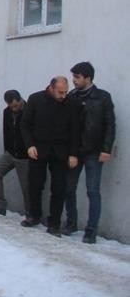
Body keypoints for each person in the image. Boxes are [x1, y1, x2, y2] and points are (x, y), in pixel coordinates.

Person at [64, 62, 116, 244]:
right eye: (74, 77)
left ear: (88, 78)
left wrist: (106, 149)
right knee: (68, 188)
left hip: (94, 151)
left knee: (93, 191)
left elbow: (110, 124)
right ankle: (71, 223)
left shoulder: (102, 97)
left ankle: (91, 231)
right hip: (75, 151)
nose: (74, 80)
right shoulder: (71, 97)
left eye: (77, 77)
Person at [21, 77, 80, 237]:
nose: (63, 95)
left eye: (66, 92)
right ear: (51, 88)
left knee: (59, 187)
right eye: (60, 92)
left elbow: (75, 130)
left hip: (61, 150)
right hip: (38, 148)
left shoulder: (71, 103)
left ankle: (54, 223)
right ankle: (34, 215)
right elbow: (25, 125)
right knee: (35, 183)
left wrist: (74, 154)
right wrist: (29, 145)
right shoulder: (35, 99)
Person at [0, 90, 30, 216]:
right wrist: (8, 149)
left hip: (24, 155)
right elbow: (7, 132)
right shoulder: (7, 112)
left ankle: (30, 213)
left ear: (20, 100)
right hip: (10, 153)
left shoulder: (28, 111)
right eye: (11, 106)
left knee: (26, 186)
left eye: (16, 105)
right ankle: (0, 205)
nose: (14, 108)